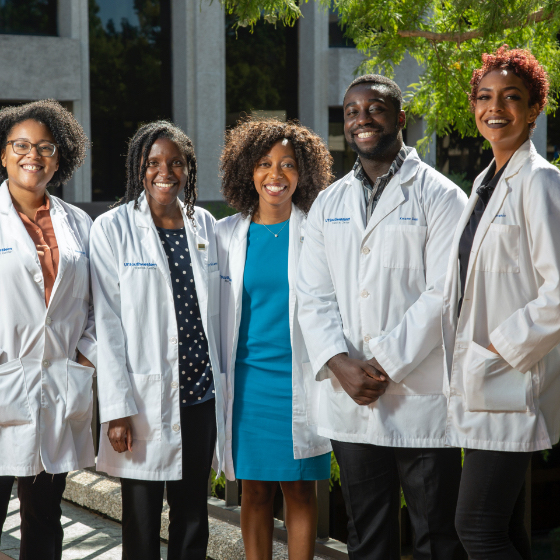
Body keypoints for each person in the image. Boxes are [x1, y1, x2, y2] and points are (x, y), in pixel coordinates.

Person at [296, 75, 468, 560]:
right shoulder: (328, 203)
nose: (362, 119)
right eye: (352, 111)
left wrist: (385, 362)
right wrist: (338, 362)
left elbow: (443, 294)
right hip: (350, 396)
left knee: (438, 537)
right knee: (367, 538)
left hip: (421, 398)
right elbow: (312, 294)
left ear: (399, 119)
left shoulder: (440, 195)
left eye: (374, 108)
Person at [442, 46, 560, 560]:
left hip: (511, 376)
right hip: (485, 378)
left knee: (477, 528)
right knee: (505, 530)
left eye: (512, 97)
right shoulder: (486, 182)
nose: (497, 107)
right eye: (486, 96)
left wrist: (500, 343)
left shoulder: (539, 181)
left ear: (534, 109)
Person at [90, 121, 225, 560]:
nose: (164, 171)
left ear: (188, 169)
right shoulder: (112, 228)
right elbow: (106, 326)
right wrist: (117, 409)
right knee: (141, 521)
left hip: (200, 398)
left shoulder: (204, 223)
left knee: (192, 519)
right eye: (152, 163)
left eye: (175, 162)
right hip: (142, 400)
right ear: (138, 169)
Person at [216, 118, 333, 560]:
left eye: (287, 164)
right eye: (264, 164)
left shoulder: (317, 233)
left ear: (303, 172)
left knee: (301, 491)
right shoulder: (227, 234)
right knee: (255, 492)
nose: (275, 174)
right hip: (248, 385)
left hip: (301, 380)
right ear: (248, 171)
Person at [0, 99, 95, 560]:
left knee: (43, 520)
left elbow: (102, 304)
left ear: (60, 159)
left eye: (45, 147)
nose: (32, 155)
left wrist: (84, 357)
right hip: (4, 381)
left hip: (56, 386)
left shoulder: (78, 224)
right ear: (3, 154)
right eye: (20, 145)